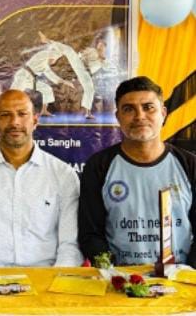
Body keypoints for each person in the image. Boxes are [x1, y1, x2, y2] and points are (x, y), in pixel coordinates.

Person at [0, 89, 82, 267]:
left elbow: (70, 245)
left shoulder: (63, 175)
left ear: (35, 120)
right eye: (6, 115)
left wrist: (57, 279)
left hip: (46, 275)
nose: (15, 122)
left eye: (22, 114)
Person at [78, 76, 196, 266]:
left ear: (163, 113)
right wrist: (114, 273)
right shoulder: (99, 166)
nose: (140, 116)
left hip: (180, 277)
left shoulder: (189, 165)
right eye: (128, 109)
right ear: (118, 117)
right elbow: (90, 234)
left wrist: (187, 273)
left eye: (148, 107)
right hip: (120, 278)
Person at [11, 31, 96, 119]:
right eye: (54, 59)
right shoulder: (44, 54)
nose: (53, 62)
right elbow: (63, 52)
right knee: (12, 94)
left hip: (30, 79)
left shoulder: (45, 63)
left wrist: (64, 82)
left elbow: (50, 73)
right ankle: (3, 107)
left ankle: (44, 111)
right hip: (23, 76)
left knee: (46, 89)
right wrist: (48, 41)